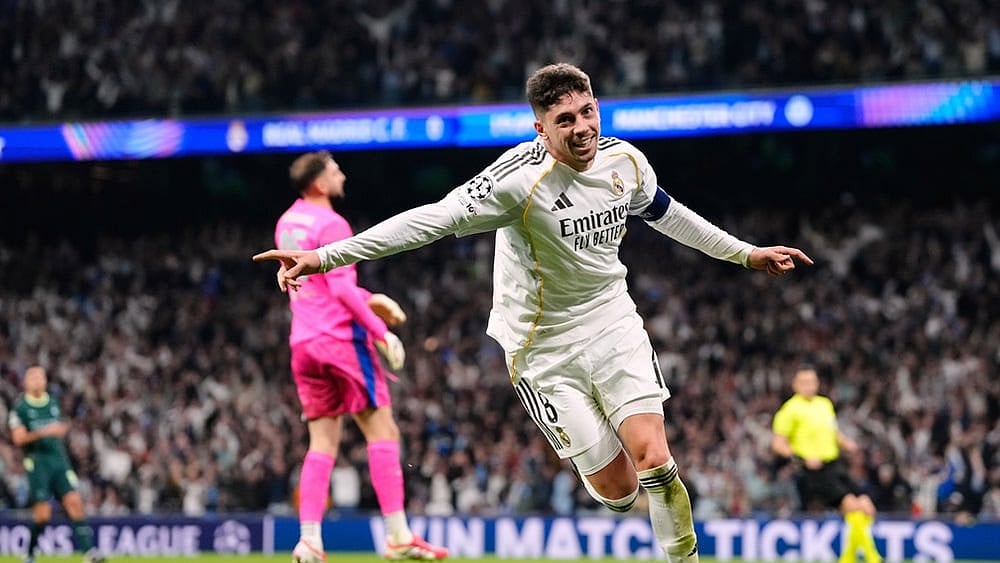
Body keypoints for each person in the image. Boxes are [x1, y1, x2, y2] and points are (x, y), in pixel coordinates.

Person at [255, 63, 813, 562]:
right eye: (565, 120)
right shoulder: (516, 181)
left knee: (655, 460)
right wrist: (324, 257)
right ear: (540, 130)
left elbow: (670, 214)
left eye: (588, 111)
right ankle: (609, 480)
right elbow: (430, 221)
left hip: (612, 322)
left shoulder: (626, 162)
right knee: (619, 491)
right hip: (541, 348)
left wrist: (745, 252)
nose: (582, 128)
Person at [275, 151, 448, 562]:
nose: (342, 175)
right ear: (319, 183)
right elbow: (338, 289)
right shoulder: (333, 223)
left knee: (322, 443)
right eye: (335, 170)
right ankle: (398, 536)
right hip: (341, 342)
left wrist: (371, 299)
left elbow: (315, 286)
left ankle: (310, 541)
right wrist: (379, 331)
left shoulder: (287, 222)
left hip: (303, 342)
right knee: (383, 432)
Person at [771, 366, 882, 563]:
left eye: (812, 382)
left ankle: (847, 559)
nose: (808, 386)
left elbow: (833, 432)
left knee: (866, 507)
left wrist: (847, 443)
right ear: (795, 385)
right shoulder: (790, 410)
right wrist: (802, 459)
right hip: (816, 471)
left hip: (836, 464)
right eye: (803, 382)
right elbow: (778, 444)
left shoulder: (825, 404)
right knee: (854, 507)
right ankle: (873, 558)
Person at [8, 366, 105, 563]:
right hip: (37, 463)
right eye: (32, 377)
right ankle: (29, 553)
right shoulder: (20, 408)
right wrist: (44, 431)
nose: (37, 380)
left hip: (59, 460)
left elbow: (60, 427)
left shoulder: (53, 402)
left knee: (75, 502)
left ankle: (89, 553)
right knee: (43, 515)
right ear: (25, 382)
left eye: (40, 376)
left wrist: (62, 429)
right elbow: (18, 439)